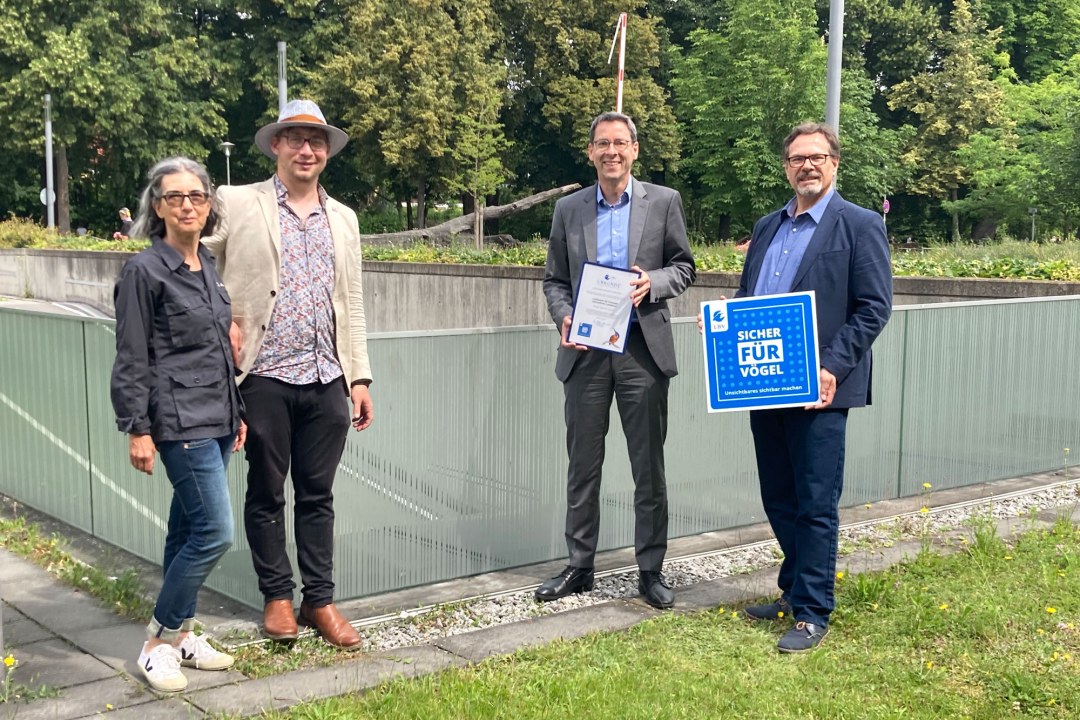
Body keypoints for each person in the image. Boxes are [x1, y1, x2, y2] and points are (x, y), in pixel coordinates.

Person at [704, 122, 892, 652]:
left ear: (834, 163)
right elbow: (750, 296)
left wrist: (831, 366)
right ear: (786, 167)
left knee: (815, 500)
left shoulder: (859, 224)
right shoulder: (767, 226)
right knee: (779, 495)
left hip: (821, 388)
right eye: (796, 158)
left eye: (816, 157)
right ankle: (793, 590)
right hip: (764, 383)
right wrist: (722, 323)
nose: (806, 165)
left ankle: (812, 611)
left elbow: (874, 307)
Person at [203, 99, 373, 650]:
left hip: (326, 376)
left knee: (318, 495)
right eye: (295, 138)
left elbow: (351, 299)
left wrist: (359, 377)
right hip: (263, 375)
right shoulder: (236, 201)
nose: (306, 149)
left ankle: (319, 600)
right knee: (266, 490)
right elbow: (192, 262)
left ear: (327, 151)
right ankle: (277, 596)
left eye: (316, 141)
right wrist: (219, 321)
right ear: (275, 145)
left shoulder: (343, 217)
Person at [539, 111, 696, 609]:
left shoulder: (664, 201)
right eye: (603, 143)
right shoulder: (569, 209)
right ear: (591, 152)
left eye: (620, 143)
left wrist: (654, 282)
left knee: (647, 468)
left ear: (635, 150)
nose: (612, 151)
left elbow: (684, 267)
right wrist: (564, 317)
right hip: (585, 354)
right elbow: (554, 281)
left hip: (640, 352)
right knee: (582, 466)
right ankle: (579, 565)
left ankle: (650, 570)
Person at [111, 157, 247, 692]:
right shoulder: (144, 272)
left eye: (197, 195)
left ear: (209, 204)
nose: (188, 205)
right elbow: (131, 357)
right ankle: (156, 643)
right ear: (158, 207)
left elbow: (217, 350)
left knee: (188, 529)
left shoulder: (205, 263)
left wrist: (237, 412)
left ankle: (184, 636)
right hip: (179, 420)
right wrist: (137, 428)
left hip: (217, 416)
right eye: (175, 197)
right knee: (214, 532)